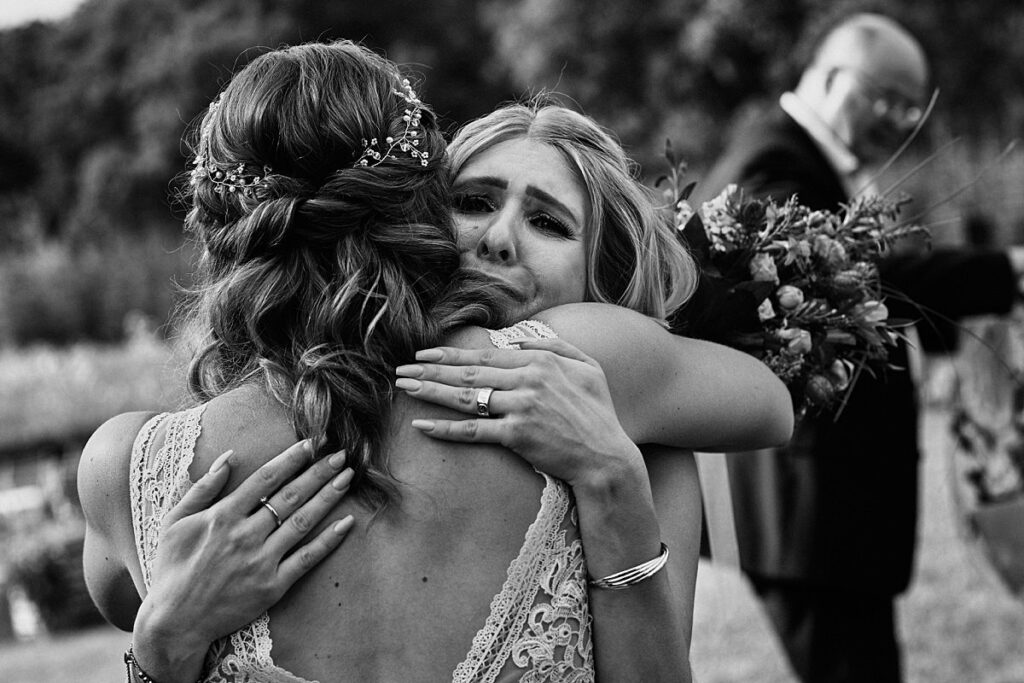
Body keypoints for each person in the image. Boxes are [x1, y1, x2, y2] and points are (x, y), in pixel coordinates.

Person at [78, 42, 793, 683]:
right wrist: (163, 641)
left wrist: (158, 648)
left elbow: (767, 403)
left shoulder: (130, 467)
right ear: (420, 209)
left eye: (548, 221)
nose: (498, 239)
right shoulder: (602, 367)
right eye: (473, 201)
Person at [694, 12, 1024, 683]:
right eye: (890, 99)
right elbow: (842, 282)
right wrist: (1007, 272)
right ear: (835, 74)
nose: (903, 122)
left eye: (912, 109)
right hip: (809, 511)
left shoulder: (817, 164)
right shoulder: (772, 160)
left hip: (832, 516)